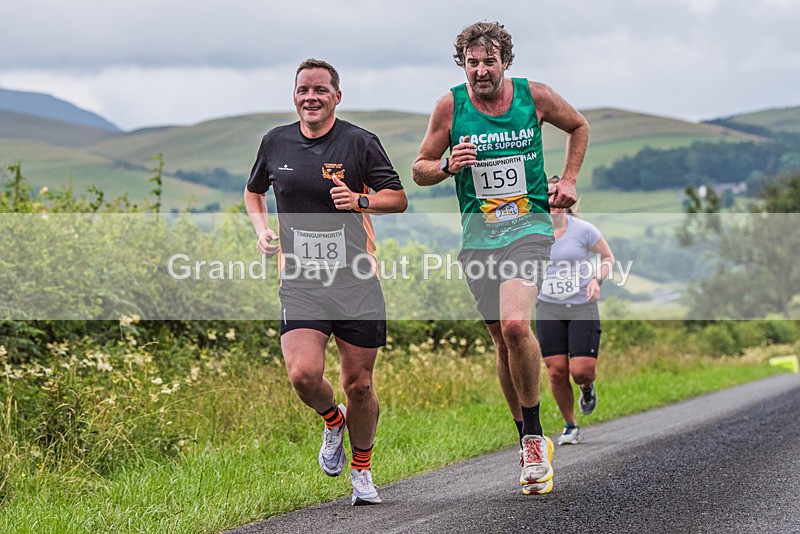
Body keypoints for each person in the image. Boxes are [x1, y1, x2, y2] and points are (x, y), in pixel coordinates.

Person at [412, 22, 589, 495]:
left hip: (528, 228)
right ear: (462, 64)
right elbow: (420, 169)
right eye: (472, 62)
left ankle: (533, 438)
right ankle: (526, 436)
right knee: (501, 340)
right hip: (478, 237)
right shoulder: (451, 105)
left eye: (489, 61)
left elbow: (578, 126)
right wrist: (448, 164)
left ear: (504, 61)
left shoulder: (534, 96)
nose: (481, 70)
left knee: (515, 326)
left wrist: (568, 180)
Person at [244, 58, 408, 506]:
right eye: (303, 90)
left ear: (337, 96)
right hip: (301, 281)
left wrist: (360, 199)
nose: (310, 98)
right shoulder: (274, 143)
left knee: (359, 385)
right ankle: (332, 421)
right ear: (294, 95)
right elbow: (254, 191)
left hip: (355, 281)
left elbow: (398, 198)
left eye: (320, 90)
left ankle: (362, 469)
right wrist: (261, 229)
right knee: (302, 374)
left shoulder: (359, 143)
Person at [537, 176, 614, 446]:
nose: (553, 201)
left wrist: (597, 280)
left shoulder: (583, 230)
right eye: (548, 195)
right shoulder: (534, 232)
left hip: (582, 306)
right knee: (556, 371)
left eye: (558, 195)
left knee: (580, 371)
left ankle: (587, 387)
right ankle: (570, 424)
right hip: (547, 306)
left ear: (567, 198)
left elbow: (607, 258)